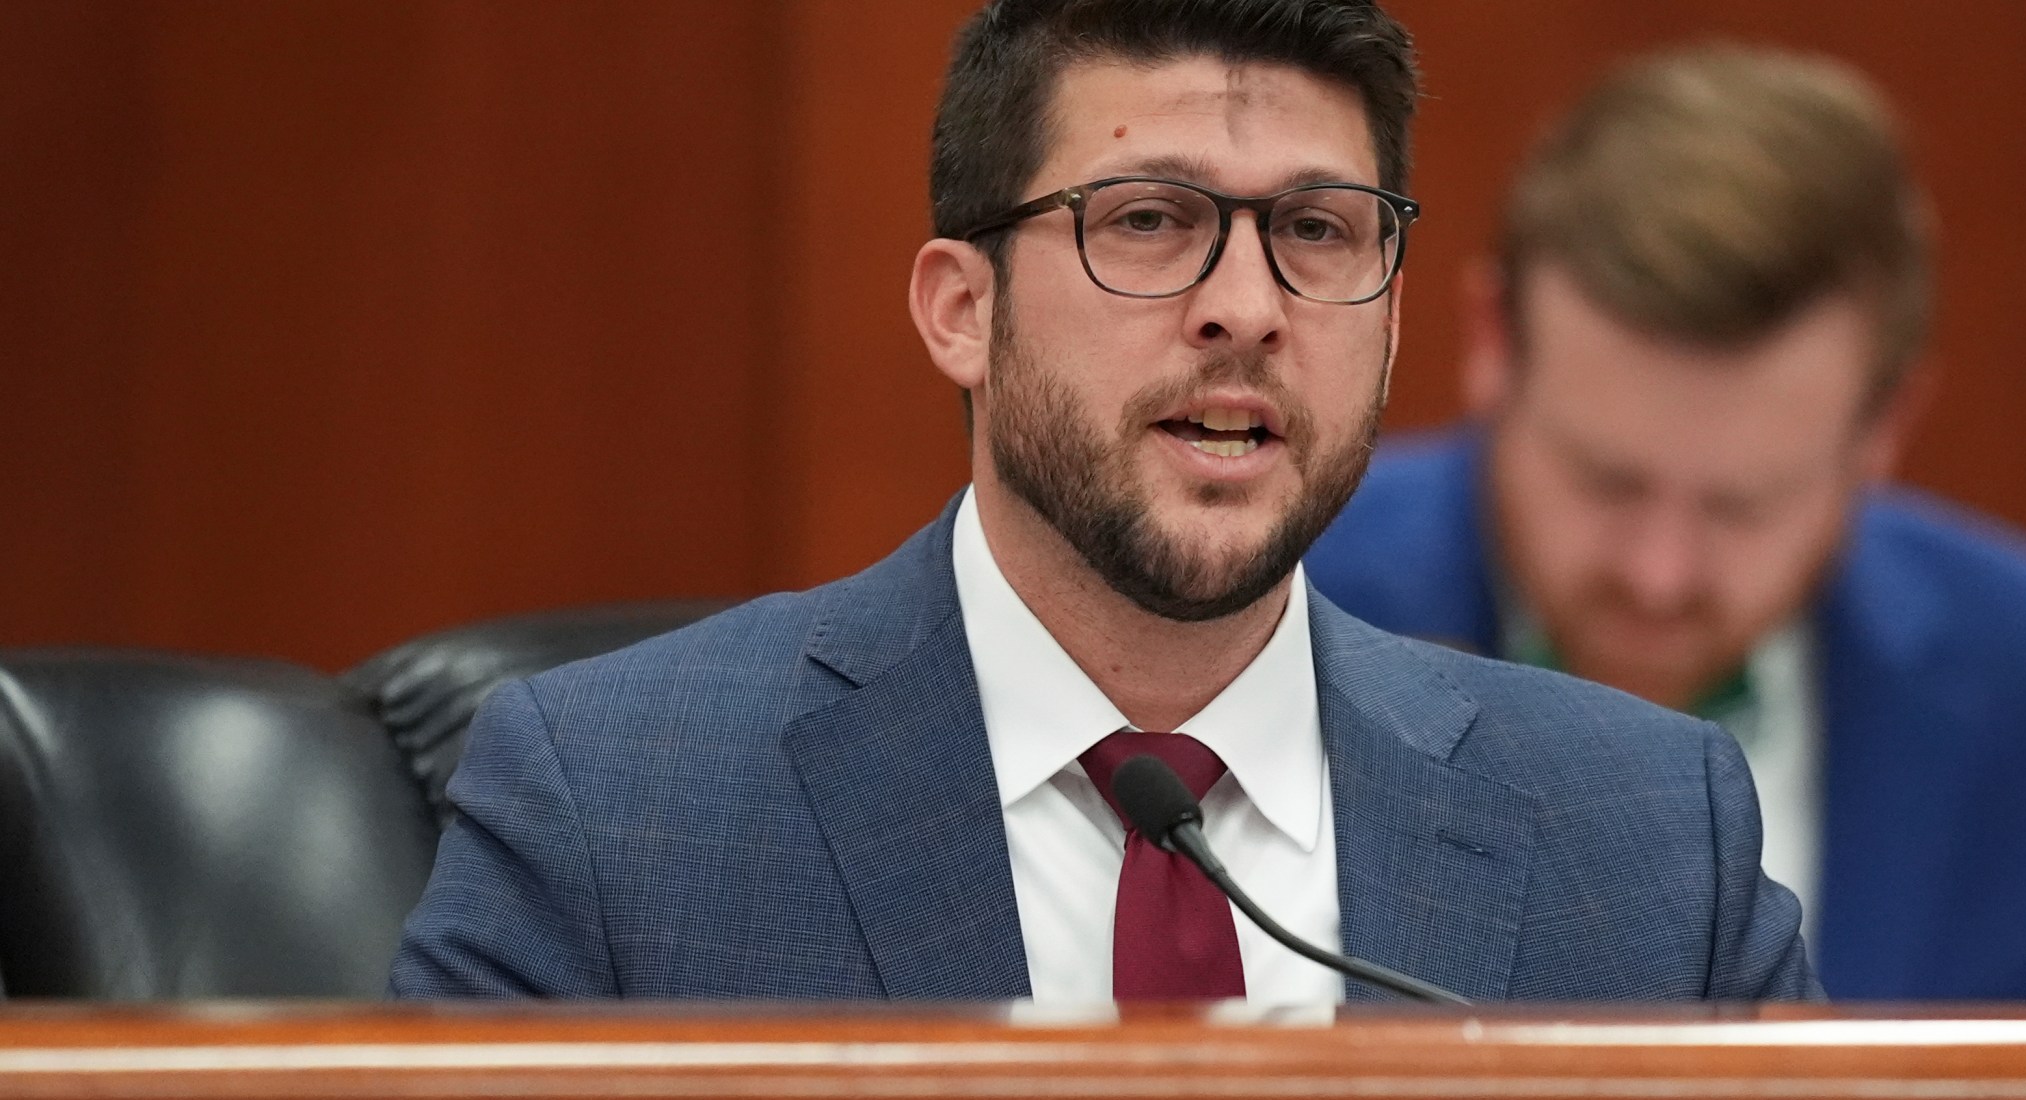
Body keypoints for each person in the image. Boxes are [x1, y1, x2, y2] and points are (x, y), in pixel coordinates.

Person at [390, 0, 1813, 1004]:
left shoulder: (1641, 839)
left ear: (1389, 320)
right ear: (962, 308)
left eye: (1317, 232)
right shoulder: (616, 810)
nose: (1246, 309)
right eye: (1149, 220)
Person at [1305, 45, 2026, 1000]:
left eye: (1743, 506)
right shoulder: (1276, 616)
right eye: (1606, 482)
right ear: (1492, 345)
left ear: (1885, 427)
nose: (1659, 574)